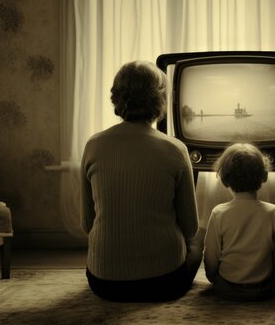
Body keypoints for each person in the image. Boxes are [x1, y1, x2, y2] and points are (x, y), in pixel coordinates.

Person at [80, 61, 202, 302]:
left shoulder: (93, 145)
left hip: (103, 283)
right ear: (160, 99)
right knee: (200, 241)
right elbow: (190, 229)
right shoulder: (175, 150)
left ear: (117, 97)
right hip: (163, 282)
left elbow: (87, 224)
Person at [204, 143, 275, 301]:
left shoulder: (219, 213)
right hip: (263, 289)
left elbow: (210, 257)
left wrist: (214, 280)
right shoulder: (274, 212)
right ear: (264, 176)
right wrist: (272, 282)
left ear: (225, 180)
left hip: (228, 288)